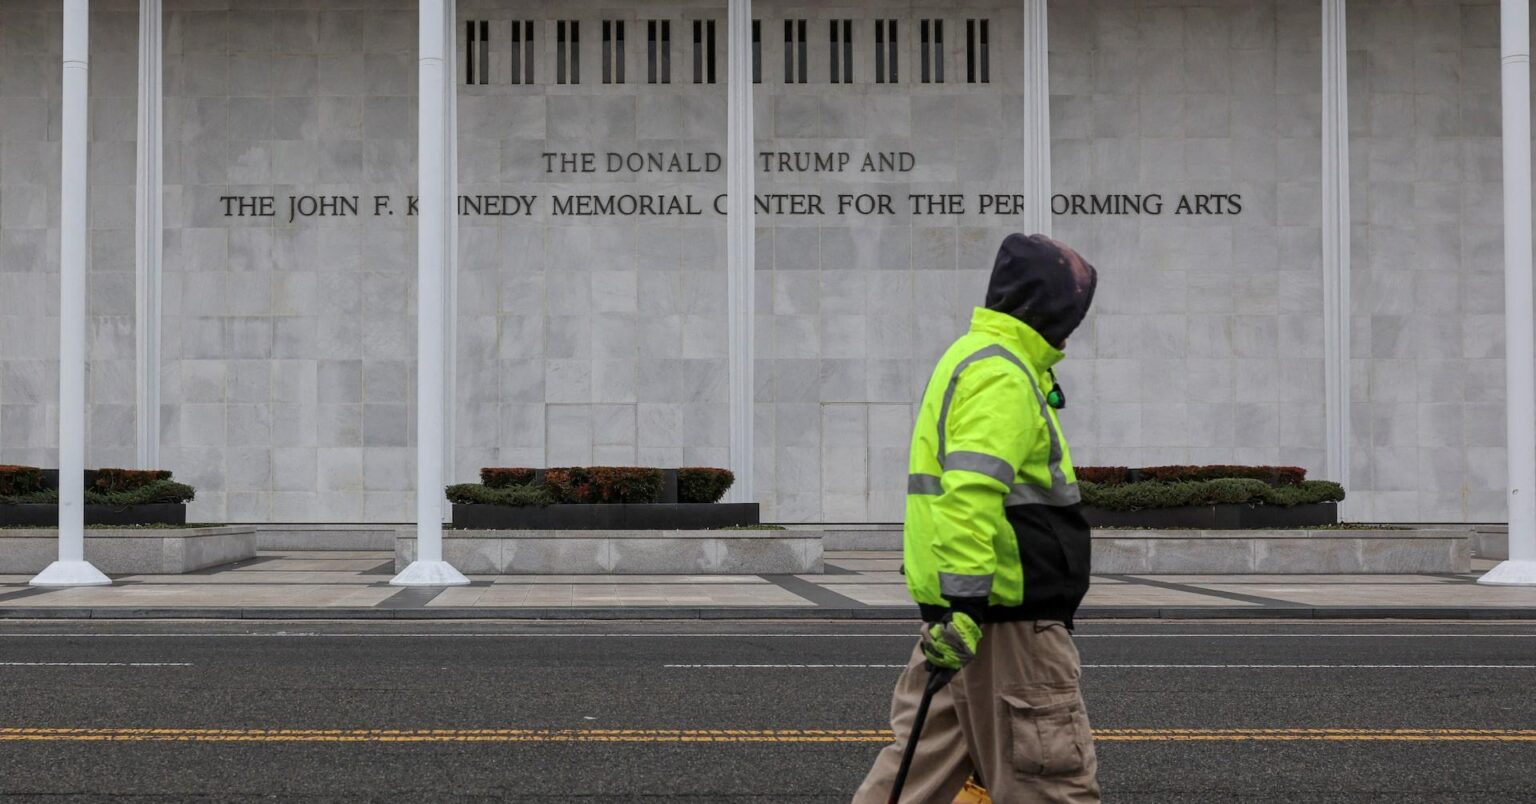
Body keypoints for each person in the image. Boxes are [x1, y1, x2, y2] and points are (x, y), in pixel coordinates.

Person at [854, 233, 1100, 803]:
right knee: (1050, 781)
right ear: (1048, 304)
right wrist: (966, 606)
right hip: (1006, 620)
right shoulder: (1004, 374)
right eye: (1073, 306)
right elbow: (971, 494)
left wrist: (955, 608)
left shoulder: (970, 357)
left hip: (966, 618)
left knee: (913, 777)